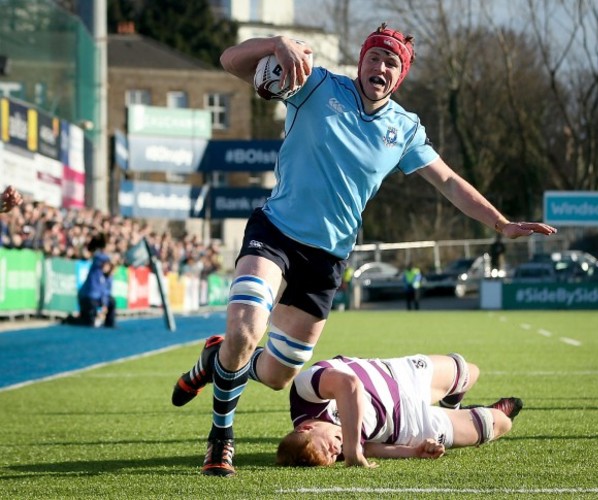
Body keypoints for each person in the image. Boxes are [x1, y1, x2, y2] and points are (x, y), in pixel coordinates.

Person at [171, 23, 556, 477]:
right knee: (246, 327)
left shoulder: (404, 129)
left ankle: (215, 361)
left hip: (326, 260)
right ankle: (221, 438)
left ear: (400, 76)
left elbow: (449, 182)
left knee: (276, 375)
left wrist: (501, 222)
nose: (380, 66)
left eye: (391, 62)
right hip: (275, 231)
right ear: (360, 61)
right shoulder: (313, 84)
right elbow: (230, 61)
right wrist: (276, 44)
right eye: (373, 57)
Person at [275, 351, 521, 467]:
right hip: (406, 425)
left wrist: (351, 451)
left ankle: (453, 406)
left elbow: (347, 384)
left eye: (328, 447)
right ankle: (473, 413)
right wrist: (414, 452)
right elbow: (369, 448)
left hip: (397, 376)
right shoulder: (337, 448)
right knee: (499, 423)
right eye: (332, 456)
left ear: (306, 428)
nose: (336, 450)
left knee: (469, 370)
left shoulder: (304, 394)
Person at [65, 234, 116, 328]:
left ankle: (109, 323)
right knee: (88, 322)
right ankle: (70, 319)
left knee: (112, 301)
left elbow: (105, 292)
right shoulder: (96, 265)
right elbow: (100, 256)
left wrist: (104, 305)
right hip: (88, 297)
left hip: (97, 299)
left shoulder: (108, 276)